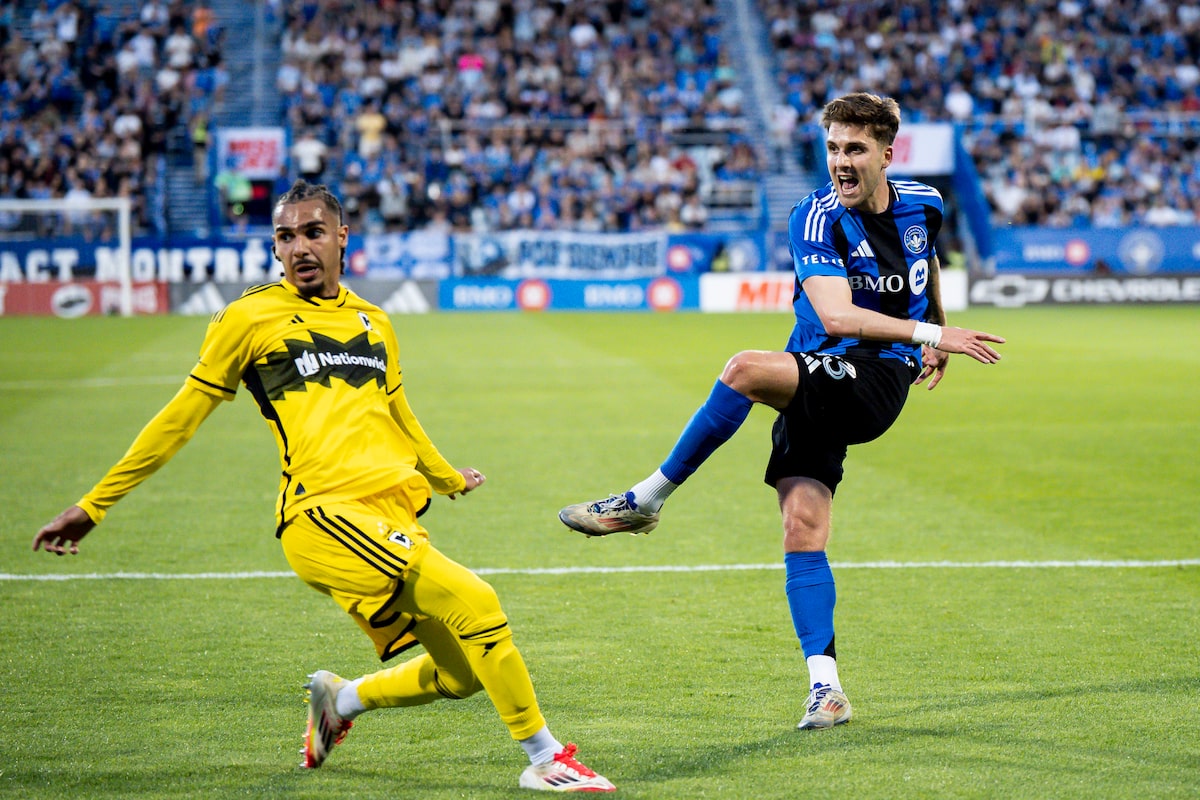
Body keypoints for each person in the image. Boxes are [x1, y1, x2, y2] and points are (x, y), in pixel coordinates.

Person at [33, 180, 615, 793]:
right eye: (285, 237)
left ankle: (341, 701)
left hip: (387, 512)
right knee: (478, 603)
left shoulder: (375, 321)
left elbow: (397, 412)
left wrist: (444, 477)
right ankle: (546, 758)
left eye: (313, 233)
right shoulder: (249, 317)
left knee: (462, 674)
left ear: (342, 237)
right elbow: (178, 420)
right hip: (321, 516)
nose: (299, 248)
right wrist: (94, 505)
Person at [559, 93, 1005, 730]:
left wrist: (932, 329)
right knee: (803, 530)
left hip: (874, 381)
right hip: (817, 373)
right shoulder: (814, 216)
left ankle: (647, 498)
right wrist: (937, 335)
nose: (840, 163)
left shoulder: (923, 205)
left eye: (854, 149)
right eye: (832, 148)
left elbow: (925, 260)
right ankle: (827, 690)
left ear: (887, 152)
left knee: (743, 369)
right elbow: (834, 315)